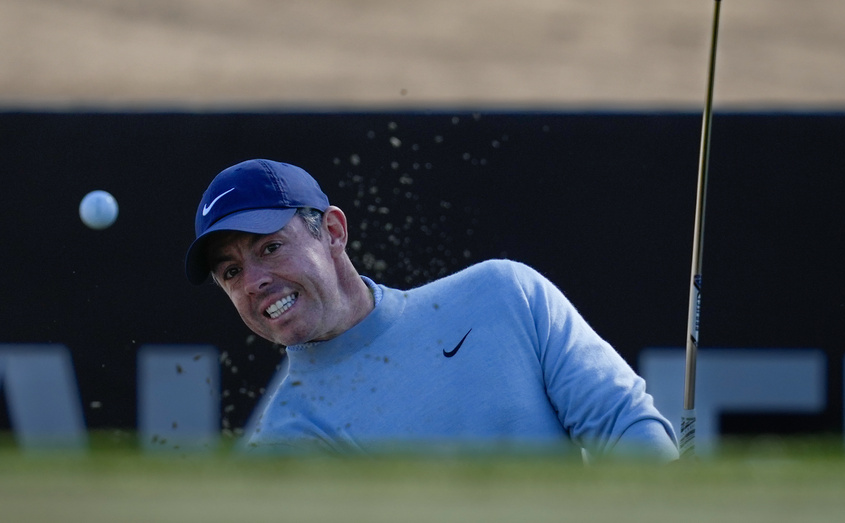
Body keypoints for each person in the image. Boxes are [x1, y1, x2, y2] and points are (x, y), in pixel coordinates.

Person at [185, 158, 678, 460]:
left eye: (270, 248)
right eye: (230, 272)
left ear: (332, 232)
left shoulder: (504, 294)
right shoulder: (282, 443)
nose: (253, 282)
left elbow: (624, 425)